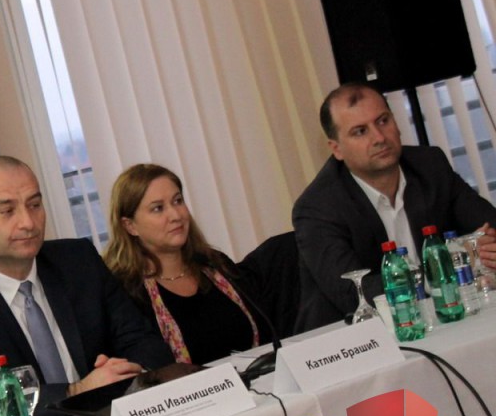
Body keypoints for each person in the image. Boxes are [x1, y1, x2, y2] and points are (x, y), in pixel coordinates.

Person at [0, 156, 172, 416]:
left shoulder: (78, 261)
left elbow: (145, 343)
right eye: (7, 211)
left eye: (34, 205)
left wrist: (123, 374)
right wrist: (76, 391)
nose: (28, 222)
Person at [292, 82, 496, 331]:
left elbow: (488, 226)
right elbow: (354, 293)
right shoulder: (318, 207)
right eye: (360, 131)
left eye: (383, 121)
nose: (379, 137)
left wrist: (486, 250)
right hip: (354, 339)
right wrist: (450, 264)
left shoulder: (430, 166)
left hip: (440, 320)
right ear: (337, 149)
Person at [103, 164, 260, 365]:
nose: (176, 215)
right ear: (130, 226)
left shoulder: (214, 264)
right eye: (158, 208)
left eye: (178, 201)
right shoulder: (125, 291)